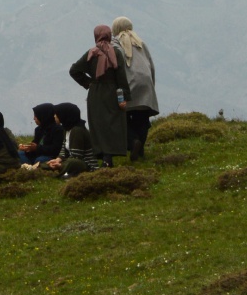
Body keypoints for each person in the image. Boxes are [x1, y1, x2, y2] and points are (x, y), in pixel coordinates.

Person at [68, 24, 130, 165]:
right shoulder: (116, 53)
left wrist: (89, 83)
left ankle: (101, 155)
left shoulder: (91, 53)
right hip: (112, 93)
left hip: (95, 93)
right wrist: (124, 96)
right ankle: (110, 156)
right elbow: (121, 77)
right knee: (113, 123)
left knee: (98, 124)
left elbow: (74, 70)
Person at [112, 16, 159, 161]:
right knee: (142, 118)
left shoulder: (115, 43)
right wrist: (151, 85)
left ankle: (133, 142)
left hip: (129, 83)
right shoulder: (140, 42)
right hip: (146, 83)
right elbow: (151, 64)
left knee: (121, 118)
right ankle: (140, 152)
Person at [24, 102, 99, 176]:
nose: (54, 116)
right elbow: (63, 150)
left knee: (71, 162)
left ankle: (42, 168)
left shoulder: (77, 130)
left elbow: (76, 156)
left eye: (56, 114)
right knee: (53, 162)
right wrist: (58, 159)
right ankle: (44, 168)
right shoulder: (66, 129)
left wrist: (60, 163)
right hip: (70, 160)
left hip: (86, 164)